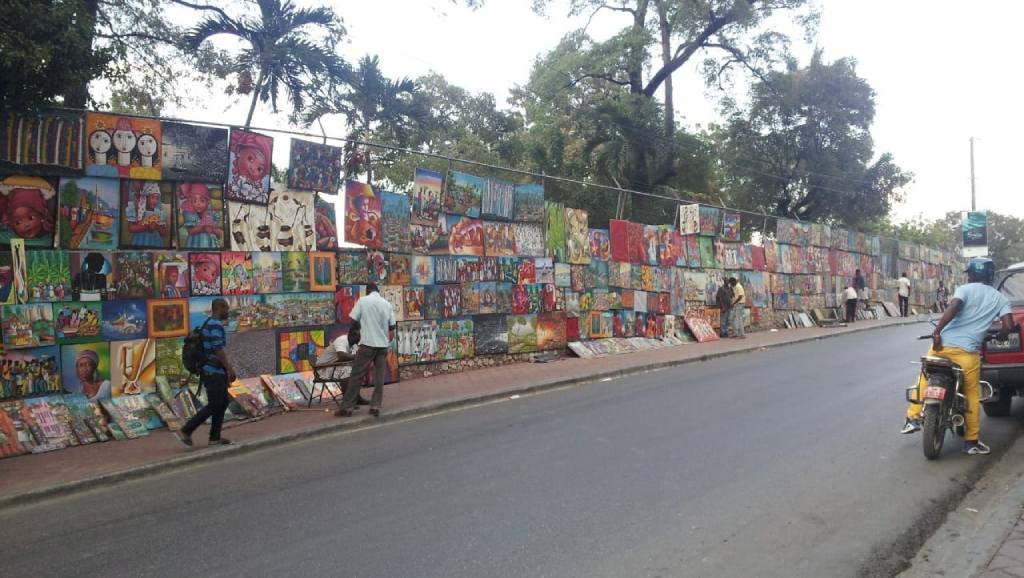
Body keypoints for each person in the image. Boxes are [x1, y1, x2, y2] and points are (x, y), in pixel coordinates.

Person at [901, 258, 1014, 455]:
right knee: (971, 394)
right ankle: (971, 442)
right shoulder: (1000, 299)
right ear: (990, 276)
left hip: (941, 347)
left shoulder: (964, 289)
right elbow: (1008, 326)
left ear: (970, 274)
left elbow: (954, 306)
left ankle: (913, 418)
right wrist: (1001, 335)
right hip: (967, 354)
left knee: (925, 376)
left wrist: (938, 331)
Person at [175, 298, 237, 447]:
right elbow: (219, 350)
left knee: (222, 402)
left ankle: (215, 437)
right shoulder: (215, 326)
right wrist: (229, 369)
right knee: (215, 404)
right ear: (219, 308)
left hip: (211, 371)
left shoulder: (207, 323)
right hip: (213, 372)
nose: (227, 312)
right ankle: (186, 430)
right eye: (226, 308)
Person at [336, 284, 396, 417]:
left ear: (367, 292)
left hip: (367, 344)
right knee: (379, 377)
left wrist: (364, 324)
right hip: (382, 345)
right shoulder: (386, 303)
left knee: (357, 375)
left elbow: (352, 318)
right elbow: (392, 328)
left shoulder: (363, 301)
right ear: (378, 291)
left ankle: (347, 408)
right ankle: (375, 406)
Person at [315, 323, 371, 405]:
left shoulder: (354, 345)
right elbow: (342, 356)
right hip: (322, 369)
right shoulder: (342, 340)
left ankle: (357, 398)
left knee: (357, 369)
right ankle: (347, 401)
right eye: (361, 334)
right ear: (354, 334)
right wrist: (358, 357)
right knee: (347, 370)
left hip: (334, 366)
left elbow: (353, 358)